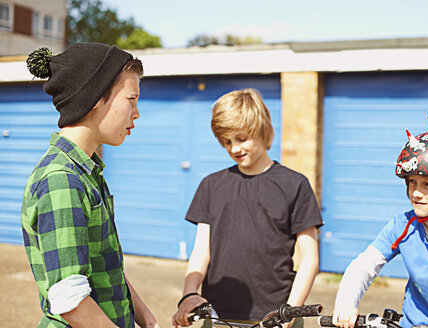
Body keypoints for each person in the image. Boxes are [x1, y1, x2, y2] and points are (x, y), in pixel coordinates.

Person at [21, 43, 159, 328]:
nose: (137, 113)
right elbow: (69, 299)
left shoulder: (87, 172)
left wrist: (144, 315)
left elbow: (103, 265)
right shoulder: (62, 179)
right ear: (95, 97)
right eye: (131, 99)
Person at [171, 88, 324, 328]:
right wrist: (189, 295)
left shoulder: (295, 185)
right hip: (218, 316)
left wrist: (289, 314)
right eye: (226, 141)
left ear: (262, 130)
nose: (234, 149)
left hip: (276, 317)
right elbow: (201, 252)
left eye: (241, 139)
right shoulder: (211, 185)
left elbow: (310, 259)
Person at [332, 113, 428, 328]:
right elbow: (364, 265)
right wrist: (345, 304)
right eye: (412, 182)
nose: (415, 193)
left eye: (427, 184)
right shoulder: (403, 225)